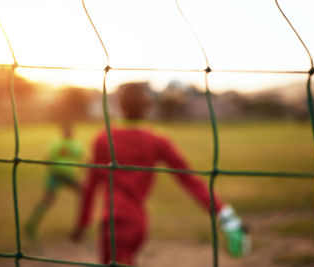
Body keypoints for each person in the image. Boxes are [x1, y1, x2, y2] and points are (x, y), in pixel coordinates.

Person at [70, 82, 250, 265]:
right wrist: (228, 217)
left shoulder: (103, 139)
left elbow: (90, 186)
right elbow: (190, 181)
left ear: (120, 105)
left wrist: (82, 223)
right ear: (147, 106)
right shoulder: (156, 141)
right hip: (137, 224)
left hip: (113, 223)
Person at [25, 117, 83, 240]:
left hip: (68, 176)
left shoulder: (76, 144)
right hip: (55, 176)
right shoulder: (56, 144)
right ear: (62, 130)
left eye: (70, 129)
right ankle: (31, 225)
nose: (69, 131)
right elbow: (47, 159)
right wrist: (54, 171)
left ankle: (81, 225)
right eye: (66, 129)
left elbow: (83, 160)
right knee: (47, 200)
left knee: (84, 194)